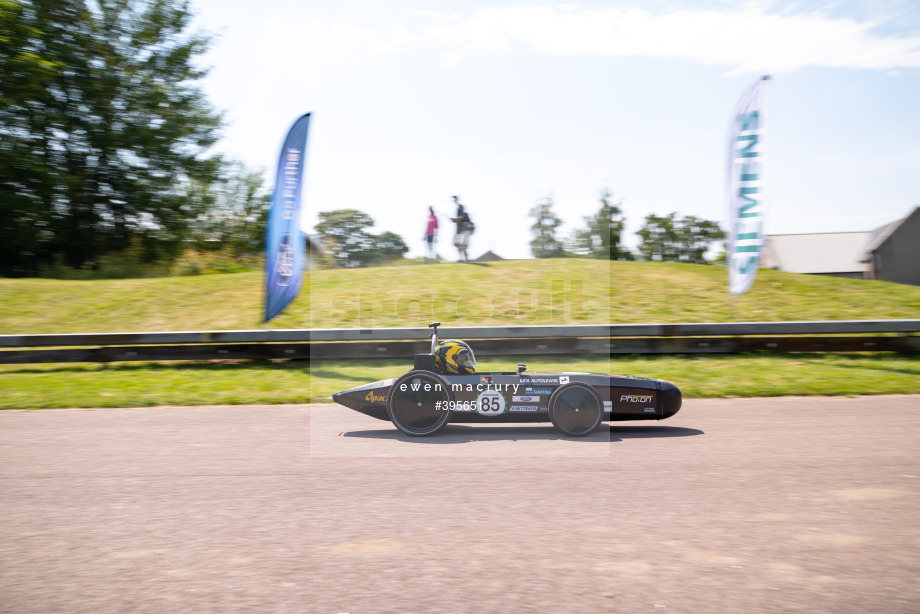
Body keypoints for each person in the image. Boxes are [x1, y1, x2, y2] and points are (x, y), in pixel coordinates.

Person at [450, 195, 474, 262]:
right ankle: (462, 258)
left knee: (462, 245)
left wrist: (454, 220)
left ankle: (464, 258)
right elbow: (458, 221)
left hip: (464, 231)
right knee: (458, 244)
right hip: (460, 231)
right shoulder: (460, 211)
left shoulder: (464, 213)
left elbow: (460, 221)